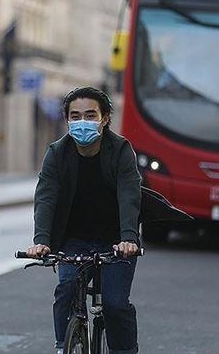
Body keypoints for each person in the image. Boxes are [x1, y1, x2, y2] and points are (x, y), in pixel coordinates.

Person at [25, 86, 142, 354]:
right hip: (73, 239)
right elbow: (46, 197)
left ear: (104, 119)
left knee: (114, 304)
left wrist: (128, 238)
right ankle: (62, 345)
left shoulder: (121, 150)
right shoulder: (57, 153)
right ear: (67, 120)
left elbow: (129, 195)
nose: (82, 122)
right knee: (65, 288)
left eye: (90, 115)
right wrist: (41, 241)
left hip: (116, 240)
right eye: (75, 116)